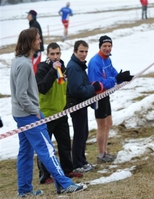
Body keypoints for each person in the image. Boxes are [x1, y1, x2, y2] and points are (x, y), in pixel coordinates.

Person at [10, 28, 87, 197]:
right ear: (30, 42)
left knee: (26, 151)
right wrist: (34, 111)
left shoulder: (20, 60)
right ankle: (65, 184)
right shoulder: (23, 64)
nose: (40, 41)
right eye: (37, 39)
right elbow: (21, 94)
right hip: (28, 115)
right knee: (47, 149)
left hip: (20, 113)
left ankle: (24, 191)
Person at [35, 42, 83, 184]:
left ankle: (67, 170)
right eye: (52, 54)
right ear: (47, 55)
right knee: (46, 147)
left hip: (61, 112)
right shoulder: (42, 69)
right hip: (47, 114)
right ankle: (44, 175)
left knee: (64, 143)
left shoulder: (64, 68)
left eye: (58, 53)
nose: (55, 57)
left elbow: (66, 89)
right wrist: (52, 71)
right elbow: (42, 88)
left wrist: (68, 104)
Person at [88, 36, 133, 163]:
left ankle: (105, 151)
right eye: (105, 46)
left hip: (105, 95)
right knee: (102, 126)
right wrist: (115, 79)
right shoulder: (95, 62)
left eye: (109, 46)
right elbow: (99, 83)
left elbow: (113, 74)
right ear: (100, 47)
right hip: (98, 96)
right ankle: (101, 154)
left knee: (109, 123)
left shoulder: (107, 60)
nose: (107, 48)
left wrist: (122, 77)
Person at [67, 40, 104, 173]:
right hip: (76, 104)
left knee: (83, 133)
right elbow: (76, 89)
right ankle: (77, 164)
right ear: (75, 51)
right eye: (81, 51)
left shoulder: (80, 65)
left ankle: (82, 160)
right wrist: (92, 88)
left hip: (82, 104)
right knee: (79, 134)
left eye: (86, 51)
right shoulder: (73, 67)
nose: (84, 54)